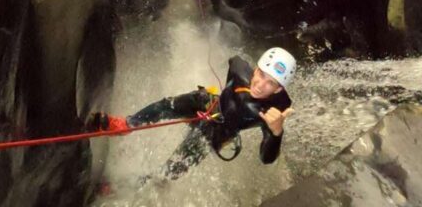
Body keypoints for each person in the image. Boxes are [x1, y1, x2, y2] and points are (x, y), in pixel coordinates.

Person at [88, 47, 296, 180]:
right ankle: (127, 124)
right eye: (261, 74)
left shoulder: (271, 113)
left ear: (279, 89)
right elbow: (233, 60)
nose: (260, 85)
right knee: (166, 105)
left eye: (271, 83)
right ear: (256, 69)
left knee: (173, 169)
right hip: (207, 104)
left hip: (217, 133)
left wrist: (276, 133)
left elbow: (267, 159)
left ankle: (142, 183)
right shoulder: (240, 69)